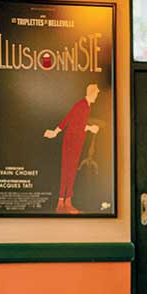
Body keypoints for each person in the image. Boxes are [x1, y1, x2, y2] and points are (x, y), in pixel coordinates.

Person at [44, 83, 100, 214]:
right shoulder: (81, 105)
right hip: (71, 141)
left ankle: (67, 202)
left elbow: (77, 122)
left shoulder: (86, 106)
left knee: (72, 170)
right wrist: (90, 128)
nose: (96, 97)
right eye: (96, 94)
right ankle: (61, 204)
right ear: (91, 93)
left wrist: (56, 131)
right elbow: (70, 120)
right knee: (67, 170)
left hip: (76, 141)